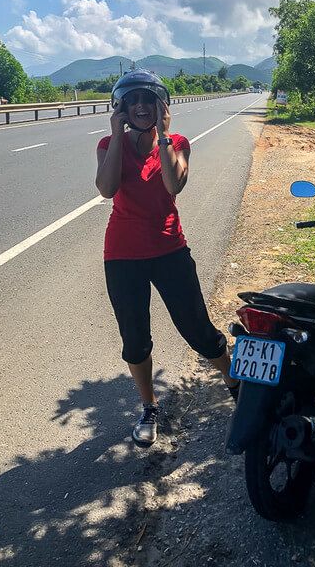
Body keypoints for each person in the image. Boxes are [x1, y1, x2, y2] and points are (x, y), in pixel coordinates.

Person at [95, 69, 239, 447]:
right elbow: (107, 189)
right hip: (122, 255)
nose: (141, 106)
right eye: (133, 101)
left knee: (197, 328)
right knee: (135, 338)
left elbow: (174, 185)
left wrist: (161, 137)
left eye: (149, 100)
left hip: (169, 249)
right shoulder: (108, 144)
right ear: (122, 107)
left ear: (162, 106)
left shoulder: (177, 142)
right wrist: (115, 136)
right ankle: (148, 406)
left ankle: (233, 381)